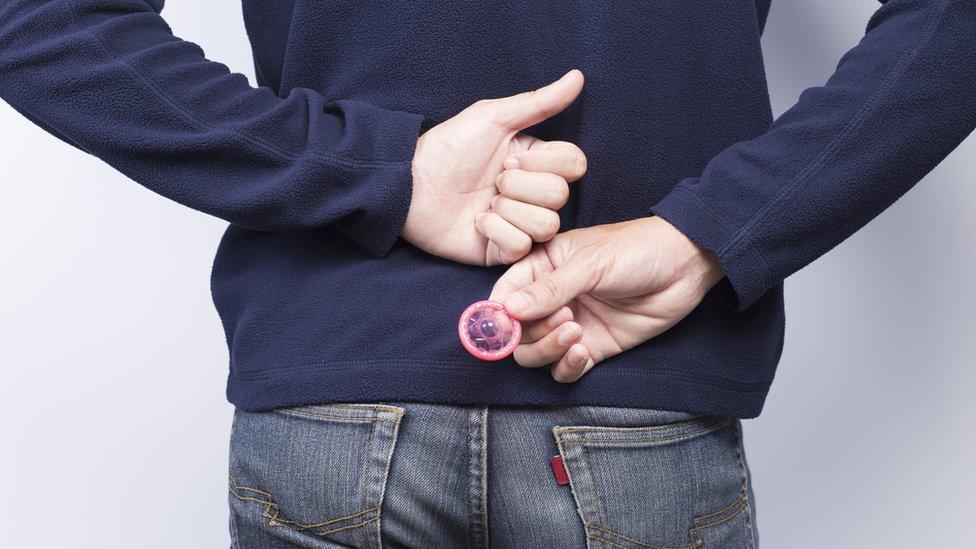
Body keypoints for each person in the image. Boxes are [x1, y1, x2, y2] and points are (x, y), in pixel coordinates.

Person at [1, 0, 973, 547]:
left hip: (339, 396)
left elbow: (45, 20)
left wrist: (367, 169)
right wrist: (707, 233)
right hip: (629, 394)